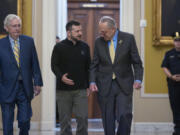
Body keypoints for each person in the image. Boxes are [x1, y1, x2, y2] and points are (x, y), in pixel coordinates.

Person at [89, 16, 143, 135]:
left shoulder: (128, 39)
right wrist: (92, 82)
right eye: (100, 31)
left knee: (124, 114)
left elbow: (137, 62)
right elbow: (94, 64)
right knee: (108, 118)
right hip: (105, 84)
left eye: (104, 32)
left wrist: (138, 79)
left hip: (124, 83)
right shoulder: (99, 41)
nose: (101, 34)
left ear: (113, 29)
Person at [0, 14, 43, 135]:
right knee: (7, 124)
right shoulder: (0, 44)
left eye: (19, 26)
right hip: (6, 88)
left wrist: (38, 82)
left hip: (24, 87)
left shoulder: (28, 41)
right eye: (14, 26)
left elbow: (34, 63)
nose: (17, 28)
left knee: (25, 121)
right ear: (7, 28)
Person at [51, 20, 90, 135]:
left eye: (80, 30)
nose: (80, 33)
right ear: (69, 32)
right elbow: (54, 65)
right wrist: (61, 76)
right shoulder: (59, 47)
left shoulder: (85, 47)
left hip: (81, 89)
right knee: (64, 121)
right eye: (77, 31)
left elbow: (89, 67)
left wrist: (88, 85)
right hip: (63, 90)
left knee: (82, 118)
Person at [161, 32, 180, 135]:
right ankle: (177, 130)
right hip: (173, 85)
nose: (178, 43)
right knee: (175, 107)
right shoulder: (169, 54)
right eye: (176, 40)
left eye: (179, 41)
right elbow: (164, 67)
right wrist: (171, 76)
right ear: (173, 42)